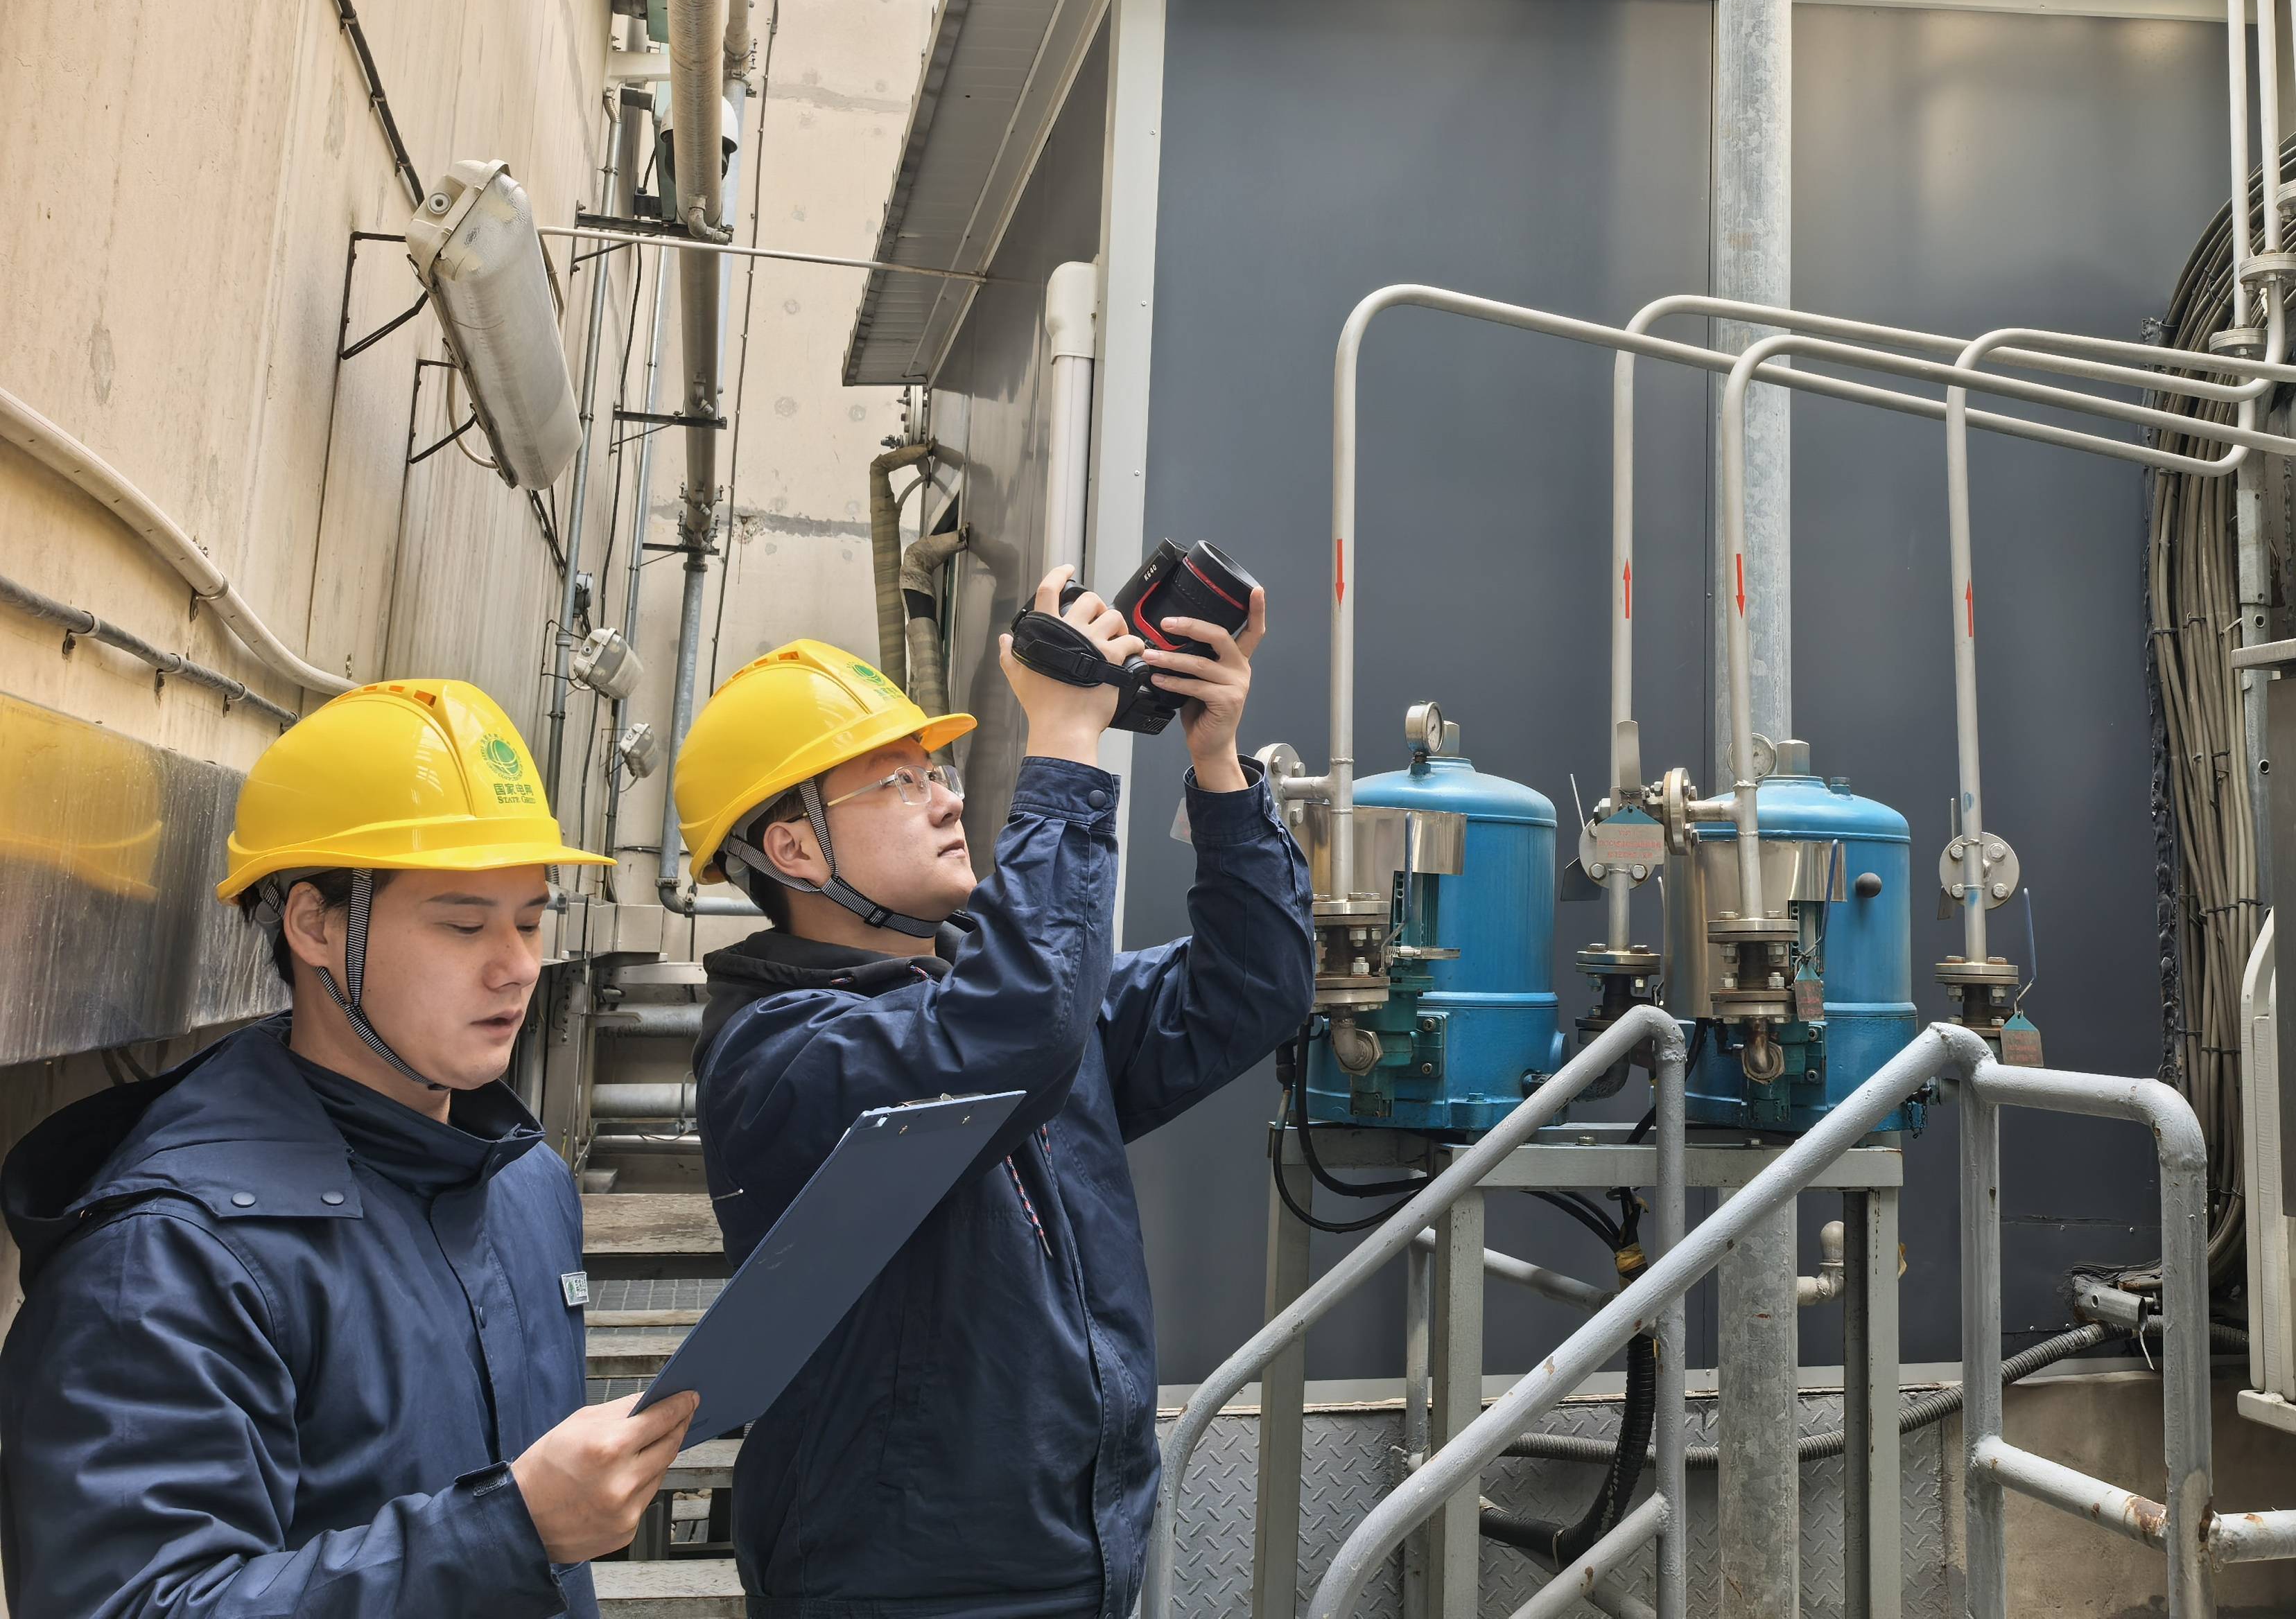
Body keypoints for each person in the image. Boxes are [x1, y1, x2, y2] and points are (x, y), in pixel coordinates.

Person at [674, 568, 1314, 1619]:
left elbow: (1249, 989)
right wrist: (1062, 744)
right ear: (793, 849)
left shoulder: (998, 1001)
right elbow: (1007, 1035)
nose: (947, 796)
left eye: (937, 768)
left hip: (1081, 1553)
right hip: (906, 1589)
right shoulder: (783, 1056)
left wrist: (1217, 766)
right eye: (897, 782)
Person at [0, 679, 699, 1618]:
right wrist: (511, 1531)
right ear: (316, 925)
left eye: (532, 921)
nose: (518, 966)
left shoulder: (524, 1181)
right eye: (464, 924)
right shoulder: (168, 1260)